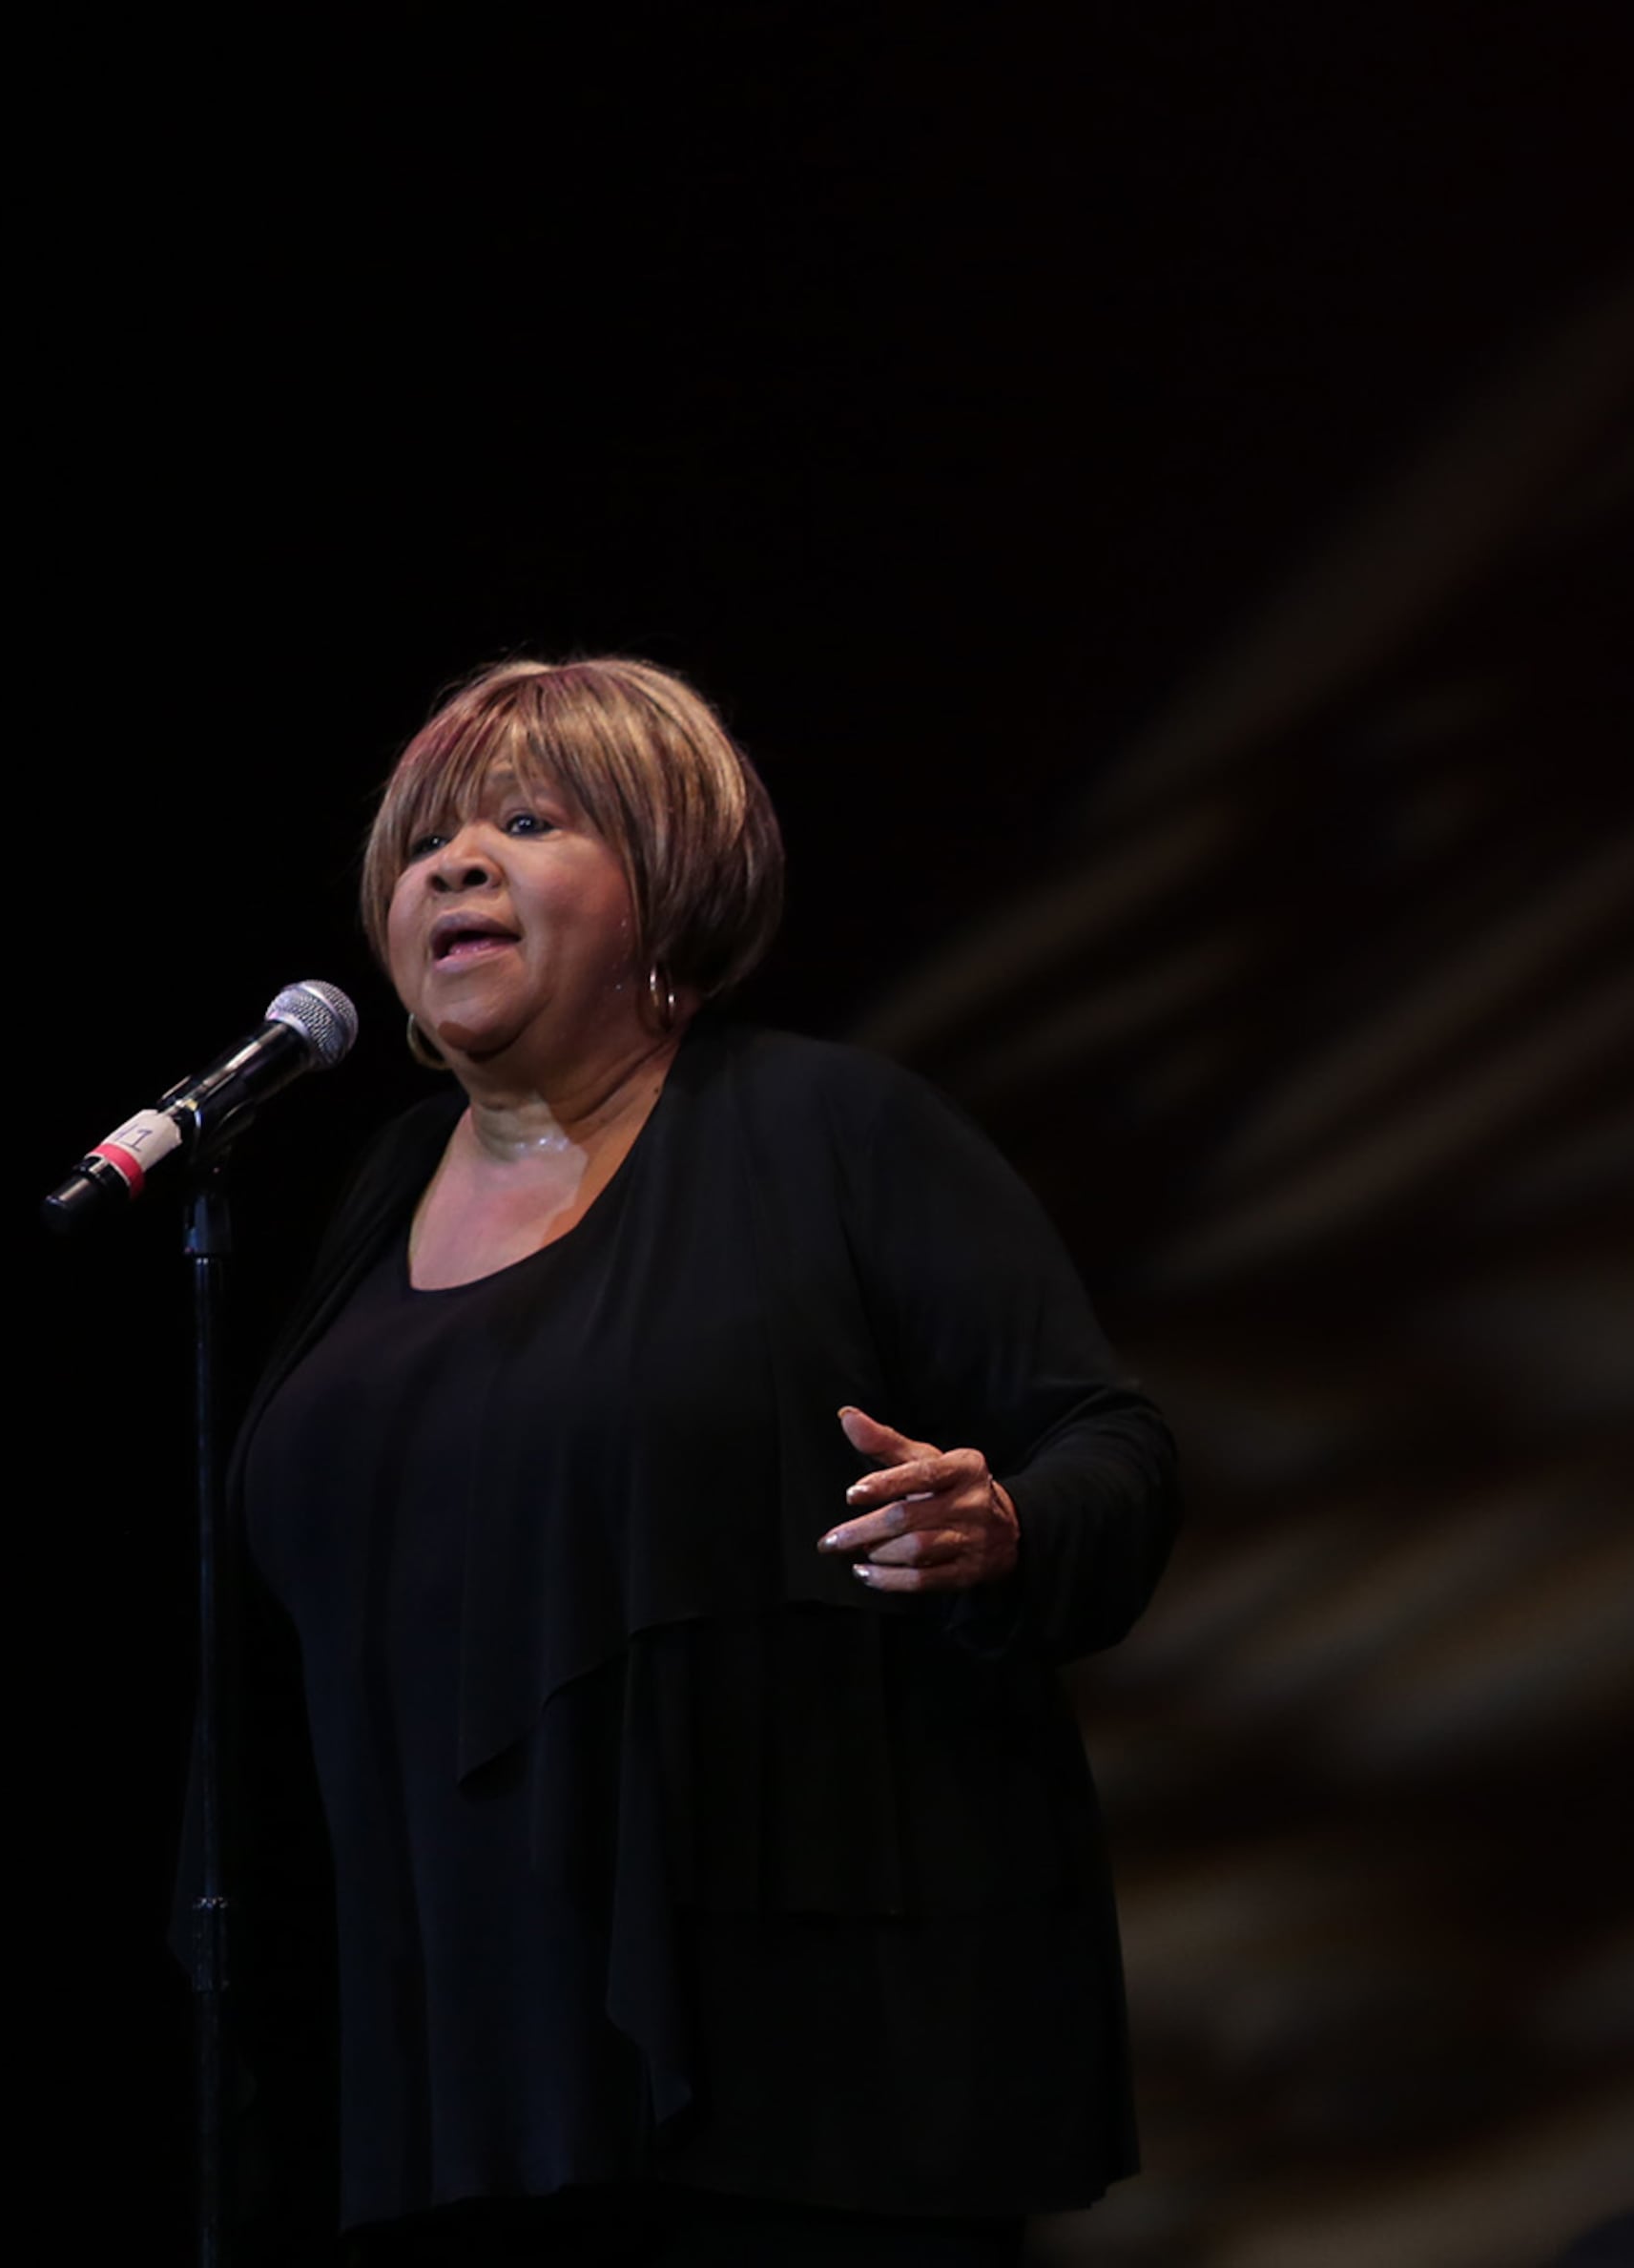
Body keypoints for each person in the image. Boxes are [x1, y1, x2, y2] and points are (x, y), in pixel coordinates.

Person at [228, 657, 1177, 2265]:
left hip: (802, 2059)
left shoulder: (830, 1130)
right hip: (446, 2061)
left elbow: (1114, 1443)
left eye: (525, 822)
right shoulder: (379, 1189)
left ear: (667, 880)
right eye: (423, 841)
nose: (450, 864)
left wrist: (997, 1519)